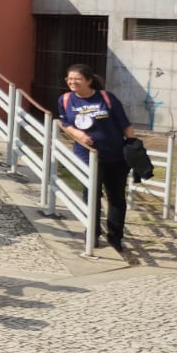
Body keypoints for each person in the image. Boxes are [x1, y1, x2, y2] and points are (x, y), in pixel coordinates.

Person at [57, 63, 136, 254]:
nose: (72, 82)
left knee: (116, 196)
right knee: (90, 194)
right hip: (88, 155)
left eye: (77, 79)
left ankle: (115, 237)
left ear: (89, 80)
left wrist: (133, 144)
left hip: (115, 155)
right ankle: (91, 233)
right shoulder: (66, 99)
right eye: (69, 79)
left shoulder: (107, 98)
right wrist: (78, 135)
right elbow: (65, 123)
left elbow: (125, 124)